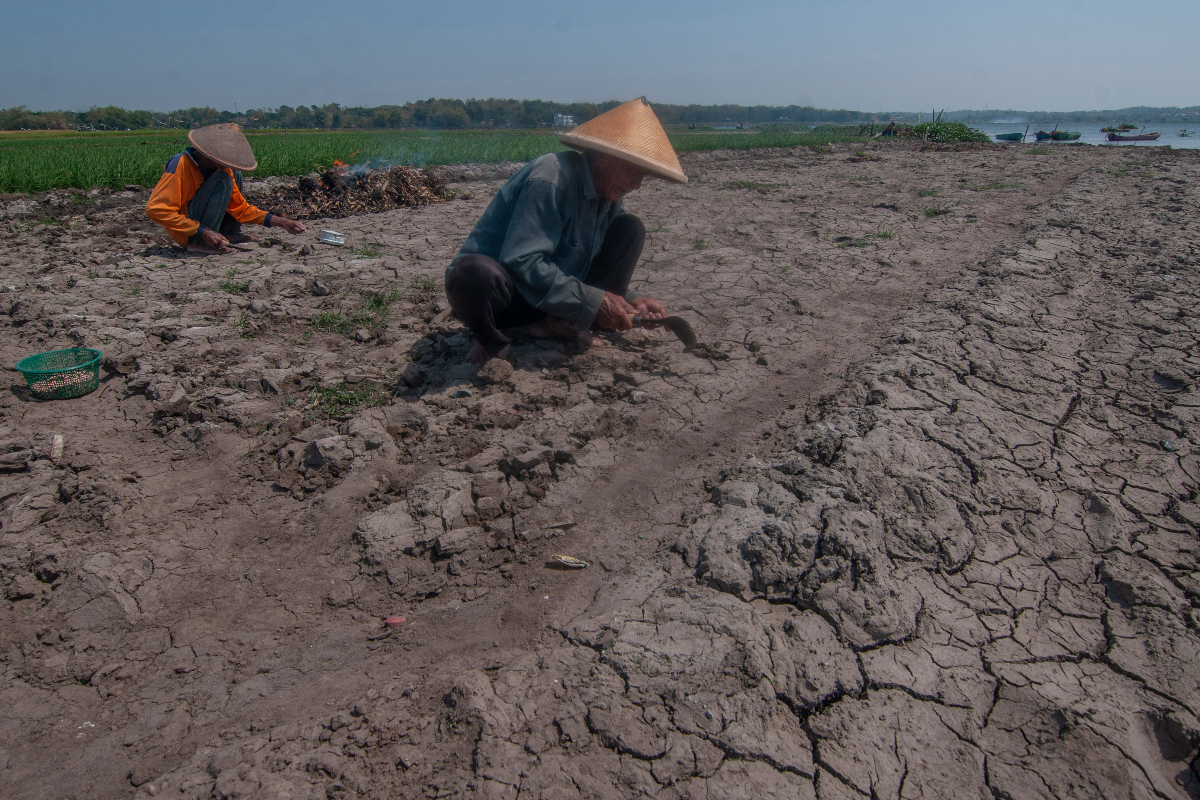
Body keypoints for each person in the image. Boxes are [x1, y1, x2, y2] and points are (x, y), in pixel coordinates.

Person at [445, 98, 688, 366]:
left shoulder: (608, 198)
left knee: (630, 230)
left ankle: (554, 322)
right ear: (601, 155)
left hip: (547, 300)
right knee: (473, 274)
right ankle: (489, 338)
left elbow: (581, 266)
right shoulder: (551, 179)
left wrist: (629, 302)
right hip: (501, 300)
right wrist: (594, 301)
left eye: (644, 175)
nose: (637, 184)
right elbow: (520, 262)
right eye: (632, 170)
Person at [146, 123, 306, 254]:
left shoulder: (222, 169)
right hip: (188, 230)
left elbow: (241, 209)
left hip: (201, 224)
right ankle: (199, 243)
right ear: (211, 156)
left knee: (233, 175)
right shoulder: (181, 164)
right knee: (222, 180)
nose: (227, 165)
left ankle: (228, 232)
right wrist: (203, 232)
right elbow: (156, 209)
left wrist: (282, 222)